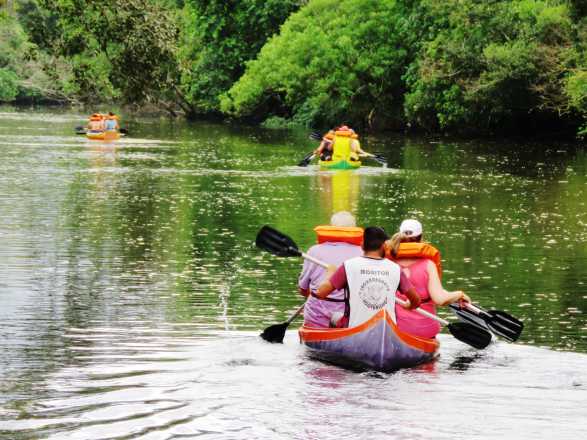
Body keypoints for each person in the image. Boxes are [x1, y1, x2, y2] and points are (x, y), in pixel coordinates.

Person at [315, 226, 421, 328]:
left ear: (362, 245)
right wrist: (409, 305)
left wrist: (330, 272)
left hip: (354, 330)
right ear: (384, 246)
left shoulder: (348, 266)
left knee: (335, 317)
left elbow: (320, 293)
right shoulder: (396, 269)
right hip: (387, 329)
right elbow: (416, 301)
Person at [387, 219, 471, 338]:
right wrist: (460, 294)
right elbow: (440, 299)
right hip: (424, 330)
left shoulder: (387, 263)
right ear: (421, 238)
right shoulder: (428, 265)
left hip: (395, 329)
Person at [298, 212, 364, 328]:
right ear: (353, 230)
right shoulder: (363, 253)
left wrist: (315, 296)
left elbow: (303, 289)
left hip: (316, 315)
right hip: (350, 316)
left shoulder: (314, 251)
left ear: (331, 228)